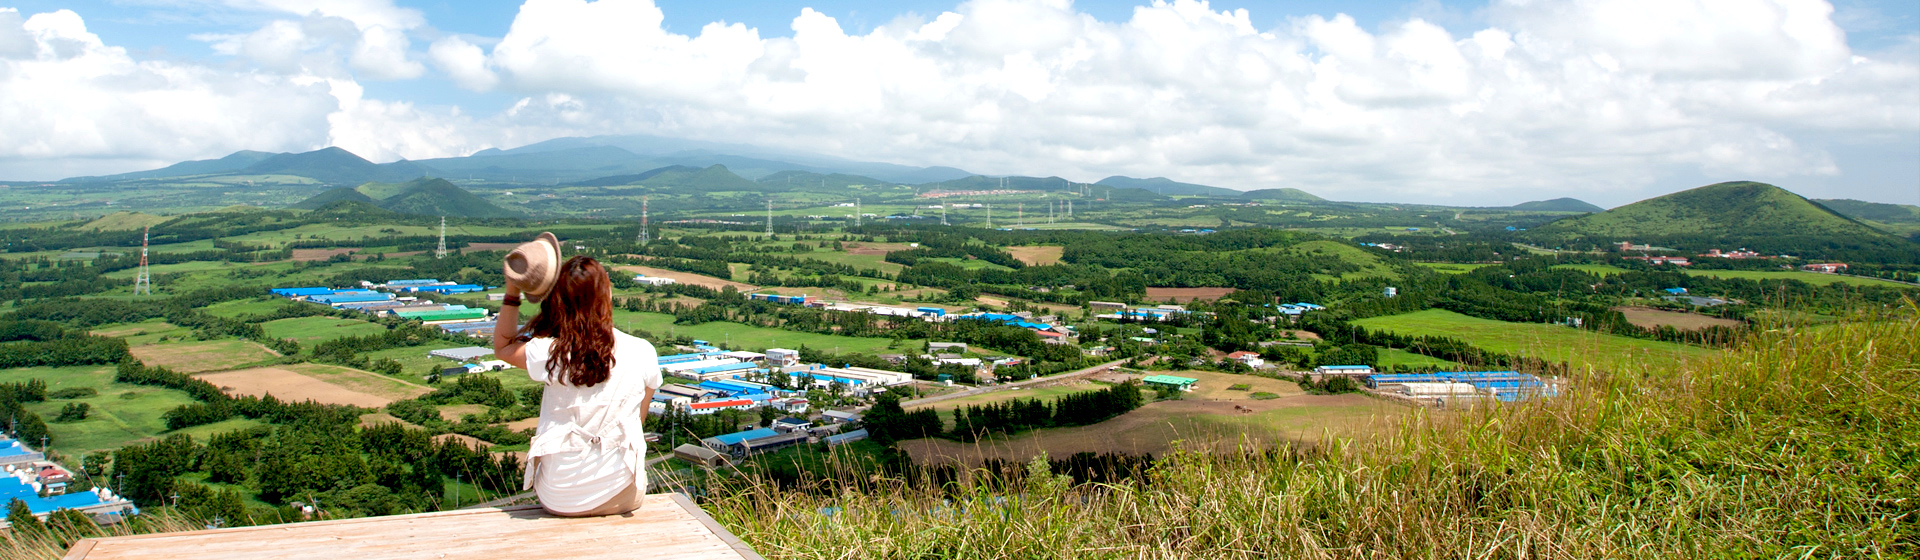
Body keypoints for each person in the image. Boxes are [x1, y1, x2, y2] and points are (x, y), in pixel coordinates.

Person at [493, 255, 661, 516]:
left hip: (559, 497)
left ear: (558, 299)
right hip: (623, 493)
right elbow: (639, 419)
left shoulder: (550, 352)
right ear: (606, 295)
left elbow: (503, 347)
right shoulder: (643, 351)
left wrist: (513, 291)